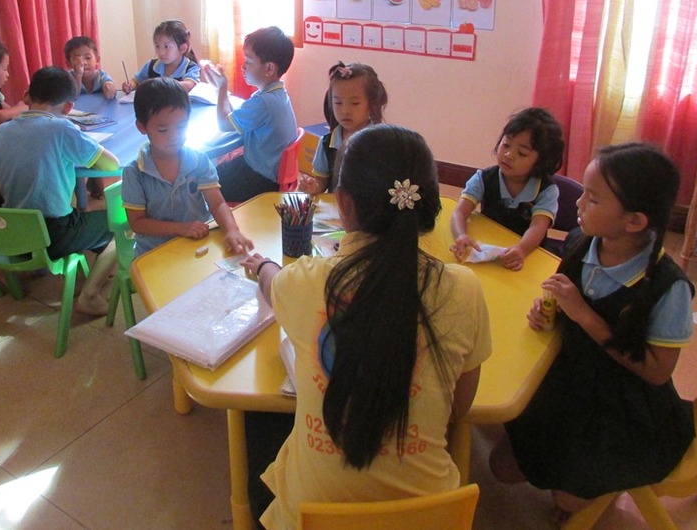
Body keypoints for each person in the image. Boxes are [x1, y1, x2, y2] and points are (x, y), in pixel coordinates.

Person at [241, 124, 492, 529]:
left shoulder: (305, 282)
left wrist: (263, 266)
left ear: (343, 202)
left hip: (316, 517)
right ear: (431, 204)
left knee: (258, 416)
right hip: (431, 517)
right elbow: (458, 408)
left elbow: (272, 284)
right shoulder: (464, 289)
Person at [488, 142, 695, 519]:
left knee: (568, 499)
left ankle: (603, 492)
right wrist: (549, 311)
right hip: (571, 377)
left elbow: (657, 371)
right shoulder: (581, 241)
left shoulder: (668, 287)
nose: (579, 204)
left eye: (594, 199)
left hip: (622, 404)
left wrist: (584, 316)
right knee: (501, 468)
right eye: (585, 192)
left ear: (634, 222)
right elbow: (561, 295)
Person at [0, 66, 122, 315]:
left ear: (26, 96)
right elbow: (112, 164)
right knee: (119, 224)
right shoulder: (62, 129)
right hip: (52, 234)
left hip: (8, 234)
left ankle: (76, 268)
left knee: (73, 210)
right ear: (68, 108)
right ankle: (90, 295)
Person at [121, 77, 253, 257]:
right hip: (154, 253)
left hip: (197, 244)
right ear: (142, 127)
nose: (174, 136)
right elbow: (137, 223)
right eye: (163, 130)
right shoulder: (134, 173)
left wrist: (232, 230)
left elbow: (218, 204)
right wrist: (180, 228)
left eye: (181, 126)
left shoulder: (198, 161)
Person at [450, 106, 565, 270]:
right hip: (488, 252)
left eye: (522, 153)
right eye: (506, 144)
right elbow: (459, 212)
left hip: (527, 257)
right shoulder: (483, 178)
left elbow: (538, 227)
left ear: (542, 161)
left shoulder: (546, 190)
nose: (508, 155)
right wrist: (461, 235)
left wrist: (522, 249)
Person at [201, 26, 298, 203]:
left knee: (204, 182)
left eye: (248, 61)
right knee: (216, 169)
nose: (243, 66)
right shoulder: (276, 94)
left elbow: (223, 124)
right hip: (269, 172)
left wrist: (222, 88)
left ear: (269, 68)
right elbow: (234, 117)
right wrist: (218, 89)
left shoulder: (263, 102)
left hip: (259, 180)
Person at [298, 61, 388, 195]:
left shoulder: (380, 143)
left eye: (355, 103)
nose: (345, 111)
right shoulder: (327, 143)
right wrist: (313, 187)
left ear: (372, 104)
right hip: (335, 206)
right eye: (338, 102)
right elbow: (322, 181)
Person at [120, 20, 202, 94]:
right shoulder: (151, 66)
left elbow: (189, 85)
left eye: (166, 47)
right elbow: (136, 81)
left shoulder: (191, 68)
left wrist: (162, 85)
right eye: (157, 46)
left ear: (182, 48)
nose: (161, 52)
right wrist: (130, 85)